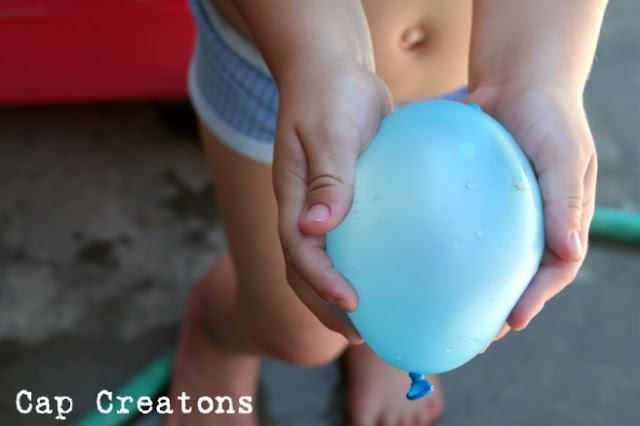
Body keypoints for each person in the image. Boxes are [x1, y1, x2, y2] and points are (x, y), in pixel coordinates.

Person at [166, 0, 607, 424]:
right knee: (294, 331)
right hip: (294, 67)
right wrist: (319, 59)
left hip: (478, 90)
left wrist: (534, 76)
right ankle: (217, 333)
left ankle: (384, 335)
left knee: (424, 272)